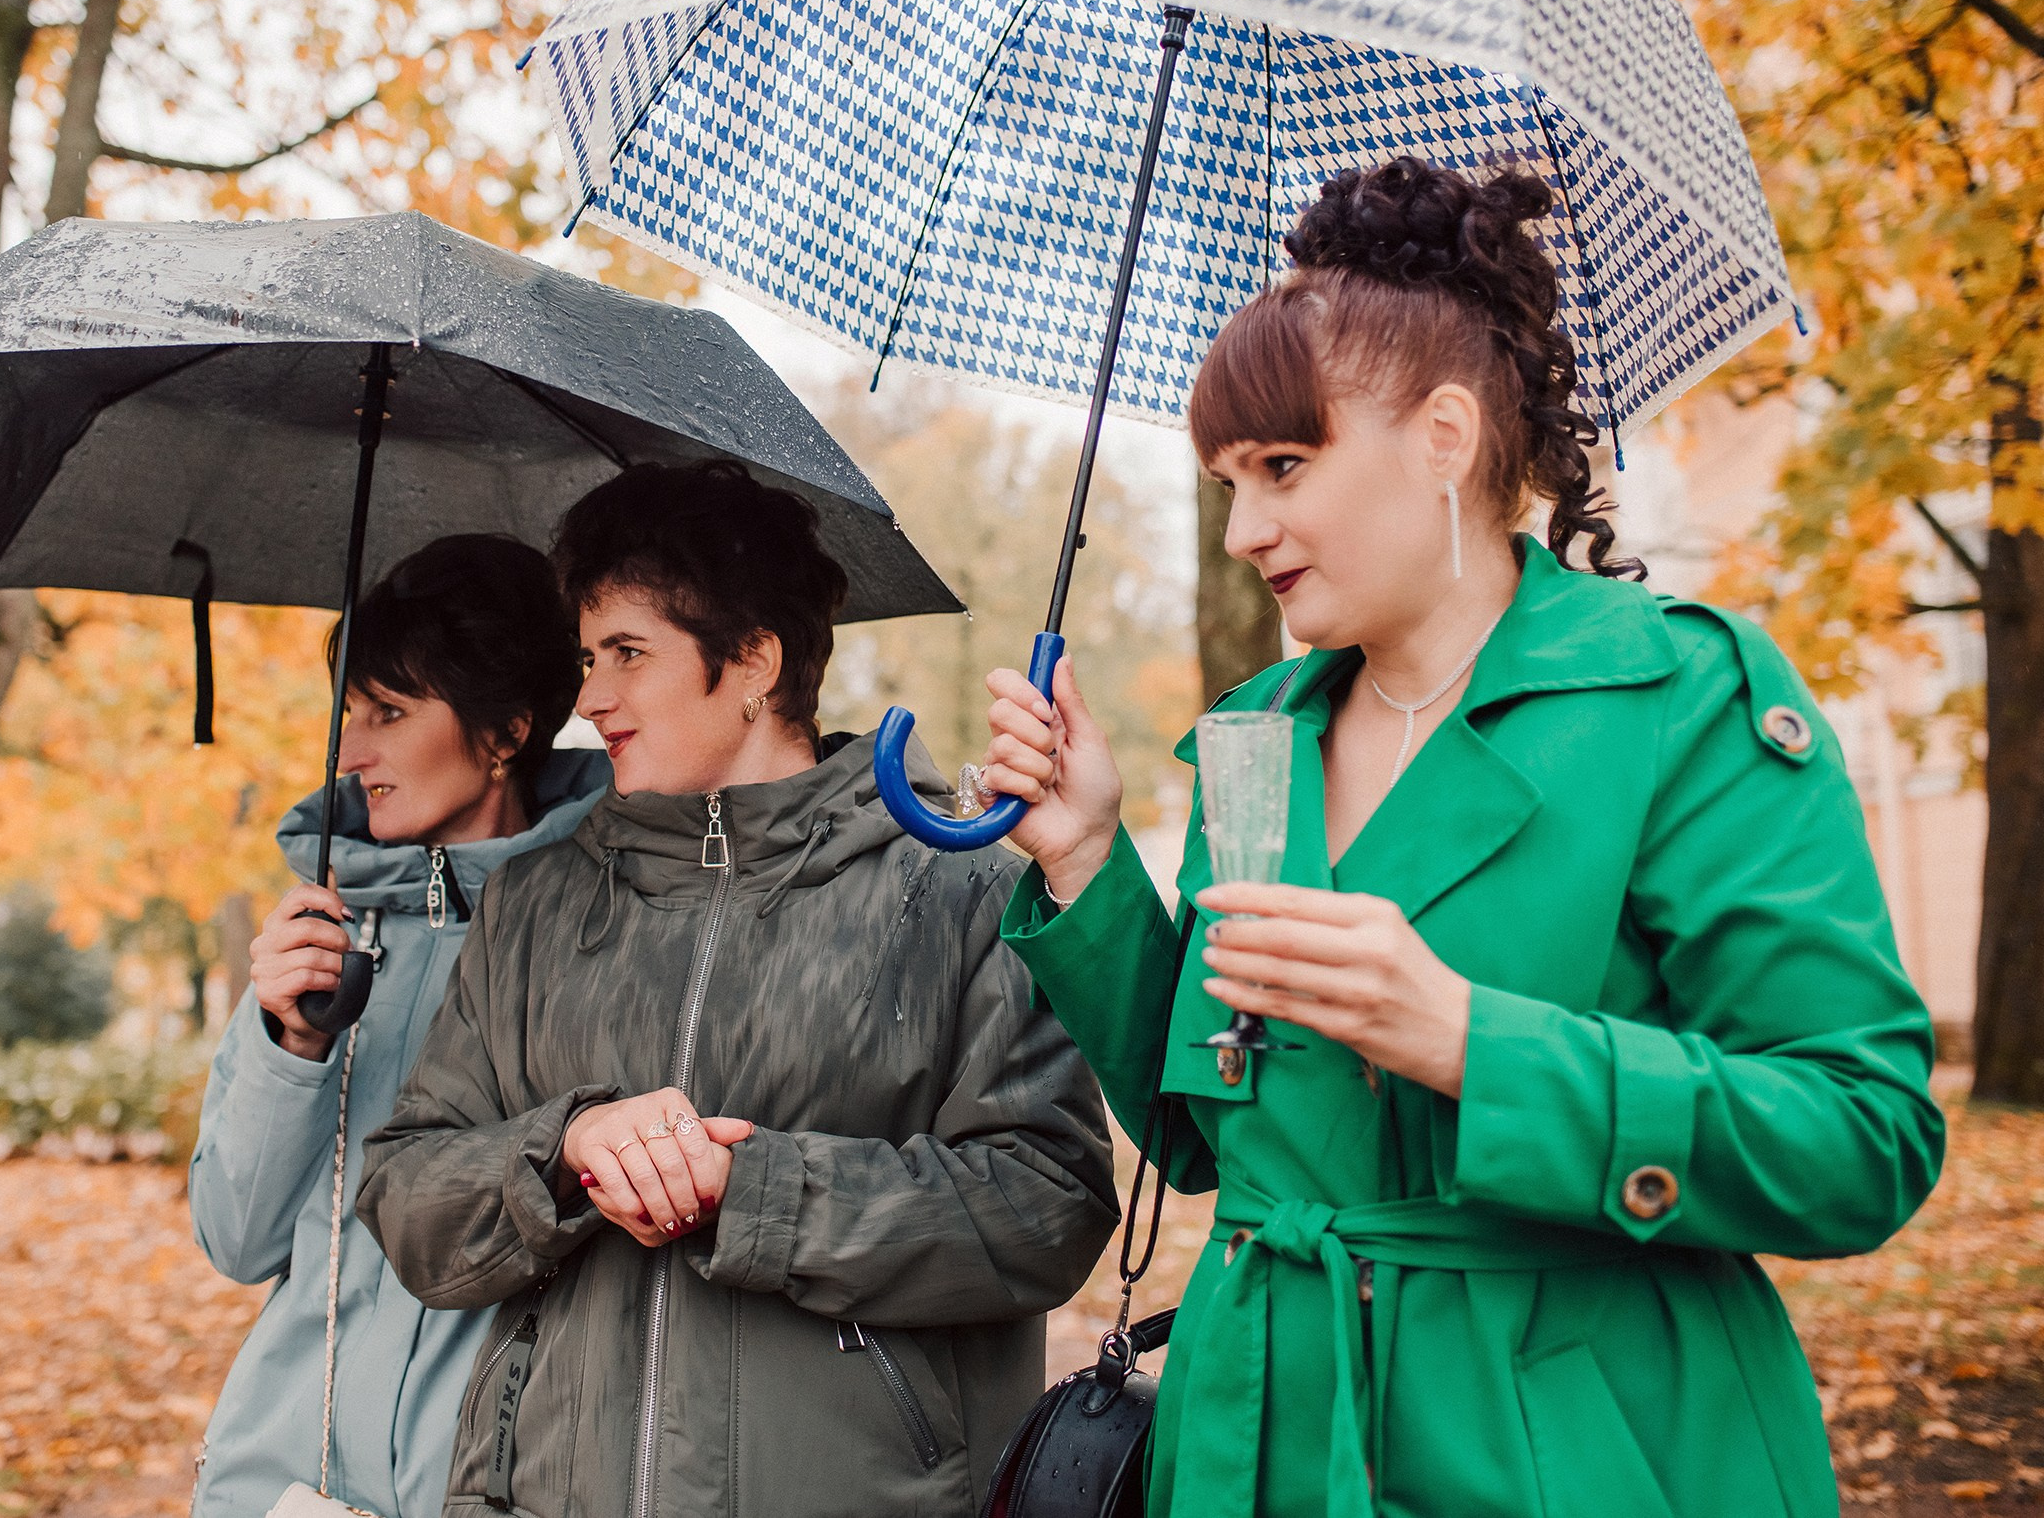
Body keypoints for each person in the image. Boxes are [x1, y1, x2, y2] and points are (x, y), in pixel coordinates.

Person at [979, 157, 1947, 1518]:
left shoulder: (1678, 697)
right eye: (1226, 482)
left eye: (1283, 466)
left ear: (1442, 437)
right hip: (1256, 1439)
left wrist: (1471, 1043)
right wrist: (1086, 854)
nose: (1245, 528)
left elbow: (1862, 1134)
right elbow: (1208, 1135)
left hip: (1569, 1445)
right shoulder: (1257, 737)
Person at [355, 460, 1118, 1518]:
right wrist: (566, 1149)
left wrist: (753, 1190)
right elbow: (405, 1194)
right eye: (587, 656)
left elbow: (1047, 1204)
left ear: (755, 658)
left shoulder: (957, 890)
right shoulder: (534, 903)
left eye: (629, 652)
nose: (591, 696)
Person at [187, 534, 607, 1518]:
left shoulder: (604, 930)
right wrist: (291, 1044)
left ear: (505, 730)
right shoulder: (319, 935)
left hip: (481, 1482)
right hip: (280, 1478)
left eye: (389, 711)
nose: (350, 753)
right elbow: (236, 1240)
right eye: (349, 712)